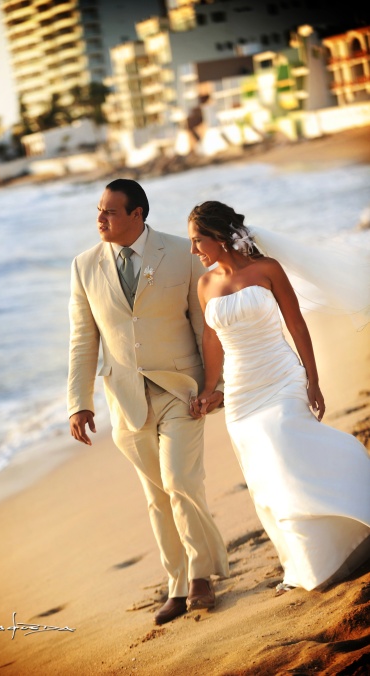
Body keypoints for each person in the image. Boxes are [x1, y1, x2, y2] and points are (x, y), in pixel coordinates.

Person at [188, 200, 370, 594]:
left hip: (281, 375)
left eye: (197, 240)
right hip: (240, 392)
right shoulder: (205, 286)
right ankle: (306, 561)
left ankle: (355, 495)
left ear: (219, 238)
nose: (193, 250)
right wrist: (209, 389)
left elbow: (297, 324)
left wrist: (313, 380)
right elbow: (211, 339)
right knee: (265, 474)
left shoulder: (267, 270)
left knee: (285, 445)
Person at [67, 180, 229, 625]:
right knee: (157, 496)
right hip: (124, 400)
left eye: (111, 212)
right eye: (98, 210)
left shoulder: (180, 253)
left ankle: (201, 575)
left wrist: (215, 386)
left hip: (182, 388)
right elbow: (84, 339)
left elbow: (204, 327)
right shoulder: (84, 266)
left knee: (180, 480)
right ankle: (177, 584)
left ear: (138, 214)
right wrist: (78, 402)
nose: (100, 219)